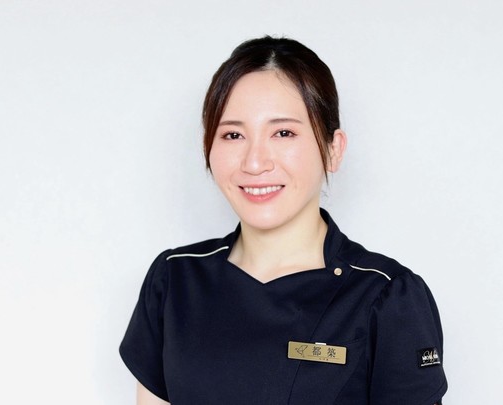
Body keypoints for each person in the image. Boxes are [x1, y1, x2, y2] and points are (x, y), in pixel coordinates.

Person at [120, 36, 447, 404]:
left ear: (333, 149)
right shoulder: (174, 281)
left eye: (283, 133)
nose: (254, 162)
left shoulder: (386, 295)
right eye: (233, 135)